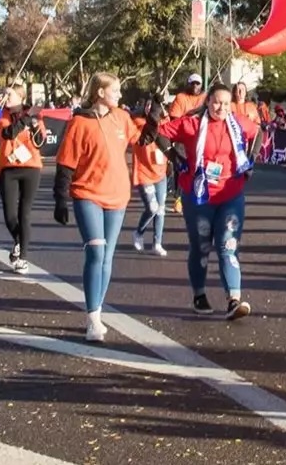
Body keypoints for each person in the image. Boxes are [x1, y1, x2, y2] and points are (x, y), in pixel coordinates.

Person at [158, 81, 259, 321]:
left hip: (230, 194)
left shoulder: (237, 123)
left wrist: (251, 161)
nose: (221, 108)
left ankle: (234, 299)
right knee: (201, 247)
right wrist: (176, 158)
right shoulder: (192, 124)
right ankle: (199, 295)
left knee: (227, 246)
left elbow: (258, 132)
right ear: (208, 102)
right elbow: (160, 133)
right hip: (198, 196)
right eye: (216, 103)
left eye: (225, 103)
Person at [54, 72, 136, 340]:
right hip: (87, 194)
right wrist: (60, 199)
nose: (120, 95)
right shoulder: (79, 122)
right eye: (115, 90)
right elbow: (65, 164)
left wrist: (155, 121)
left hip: (118, 195)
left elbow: (143, 139)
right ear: (100, 92)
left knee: (108, 257)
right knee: (96, 254)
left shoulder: (121, 117)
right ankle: (93, 319)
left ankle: (97, 311)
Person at [0, 86, 45, 273]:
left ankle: (23, 257)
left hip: (31, 167)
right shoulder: (2, 115)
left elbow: (40, 142)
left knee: (25, 213)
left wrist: (34, 123)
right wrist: (26, 118)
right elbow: (9, 133)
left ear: (21, 97)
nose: (5, 97)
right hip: (8, 167)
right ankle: (18, 240)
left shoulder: (34, 115)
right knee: (10, 214)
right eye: (4, 93)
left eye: (9, 94)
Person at [129, 98, 171, 255]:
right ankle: (138, 232)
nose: (150, 108)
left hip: (160, 173)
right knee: (152, 208)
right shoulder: (138, 123)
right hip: (144, 173)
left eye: (153, 105)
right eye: (148, 105)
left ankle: (157, 243)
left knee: (160, 210)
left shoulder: (165, 123)